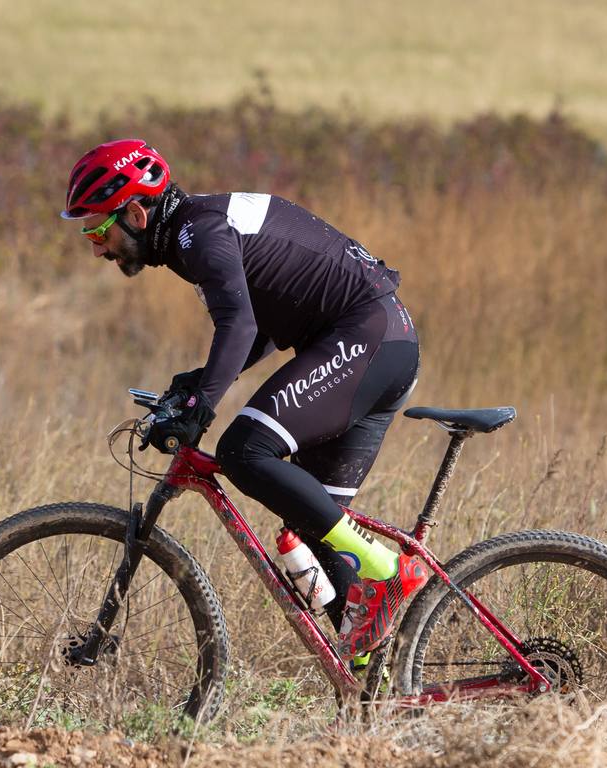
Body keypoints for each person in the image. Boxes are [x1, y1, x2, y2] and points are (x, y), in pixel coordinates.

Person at [63, 138, 426, 659]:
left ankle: (390, 571)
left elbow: (239, 324)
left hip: (368, 336)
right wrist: (199, 381)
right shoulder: (200, 228)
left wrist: (200, 407)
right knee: (318, 529)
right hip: (381, 340)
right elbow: (266, 327)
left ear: (137, 214)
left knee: (242, 451)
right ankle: (378, 692)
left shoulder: (199, 234)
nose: (96, 247)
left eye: (98, 230)